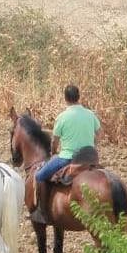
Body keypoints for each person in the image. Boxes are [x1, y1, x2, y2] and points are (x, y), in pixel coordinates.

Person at [30, 85, 103, 224]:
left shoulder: (62, 117)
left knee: (39, 176)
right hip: (90, 158)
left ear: (65, 99)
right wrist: (92, 145)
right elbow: (100, 133)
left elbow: (55, 141)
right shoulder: (90, 114)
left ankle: (41, 212)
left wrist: (53, 152)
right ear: (79, 96)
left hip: (68, 157)